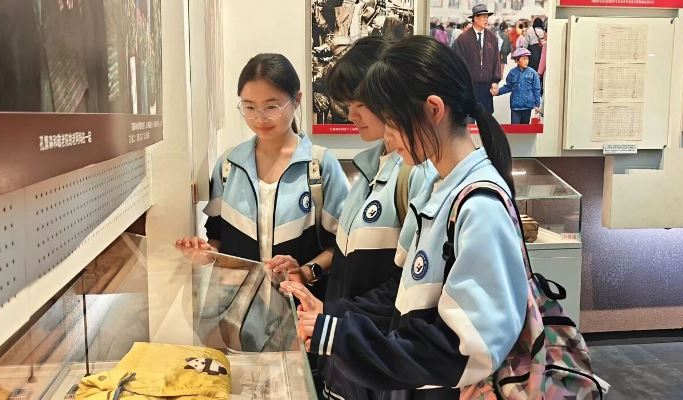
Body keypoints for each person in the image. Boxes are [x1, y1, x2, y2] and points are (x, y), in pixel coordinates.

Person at [295, 35, 528, 400]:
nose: (387, 136)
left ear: (433, 109)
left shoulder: (478, 204)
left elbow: (462, 350)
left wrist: (342, 337)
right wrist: (333, 319)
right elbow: (401, 298)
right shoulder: (437, 188)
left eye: (392, 120)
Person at [282, 35, 433, 400]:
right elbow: (349, 256)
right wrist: (310, 272)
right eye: (347, 104)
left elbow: (408, 288)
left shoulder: (417, 174)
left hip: (377, 363)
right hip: (345, 359)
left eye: (360, 104)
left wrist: (332, 313)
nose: (351, 115)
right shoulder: (368, 168)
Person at [177, 53, 349, 288]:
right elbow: (217, 237)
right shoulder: (229, 165)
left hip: (299, 303)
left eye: (272, 106)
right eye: (249, 107)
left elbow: (341, 244)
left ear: (297, 100)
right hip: (238, 304)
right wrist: (206, 253)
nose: (260, 118)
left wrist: (306, 272)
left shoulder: (320, 165)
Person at [452, 4, 501, 117]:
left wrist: (495, 81)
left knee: (485, 118)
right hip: (469, 85)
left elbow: (496, 60)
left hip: (486, 86)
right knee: (468, 117)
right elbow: (458, 61)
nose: (486, 20)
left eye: (487, 17)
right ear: (475, 18)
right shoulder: (463, 38)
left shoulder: (492, 38)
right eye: (483, 17)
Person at [492, 48, 541, 124]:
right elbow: (508, 86)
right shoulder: (512, 73)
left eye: (527, 59)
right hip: (515, 107)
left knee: (525, 128)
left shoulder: (533, 73)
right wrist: (498, 92)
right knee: (514, 128)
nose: (526, 61)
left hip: (527, 107)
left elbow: (536, 89)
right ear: (517, 61)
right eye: (523, 59)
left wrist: (537, 104)